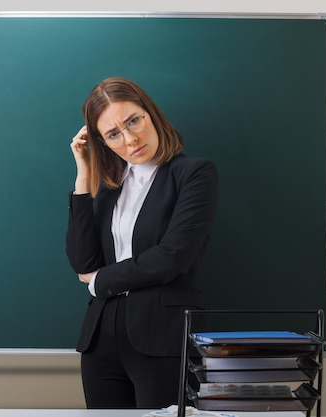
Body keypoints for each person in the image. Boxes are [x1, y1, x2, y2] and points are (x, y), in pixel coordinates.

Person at [65, 77, 219, 409]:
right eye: (113, 134)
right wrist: (83, 178)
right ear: (103, 143)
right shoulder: (110, 186)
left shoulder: (193, 173)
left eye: (134, 120)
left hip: (163, 336)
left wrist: (101, 281)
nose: (131, 138)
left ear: (150, 113)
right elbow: (82, 262)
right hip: (101, 340)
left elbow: (172, 257)